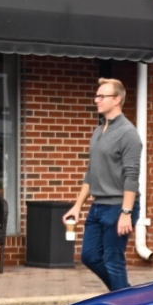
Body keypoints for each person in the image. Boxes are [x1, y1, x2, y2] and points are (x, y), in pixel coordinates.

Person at [62, 77, 142, 292]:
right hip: (98, 207)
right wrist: (77, 206)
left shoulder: (128, 134)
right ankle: (126, 295)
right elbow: (92, 172)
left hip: (118, 207)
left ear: (116, 100)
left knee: (113, 261)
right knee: (89, 256)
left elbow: (132, 176)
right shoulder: (99, 131)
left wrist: (126, 212)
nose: (96, 99)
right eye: (97, 95)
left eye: (102, 96)